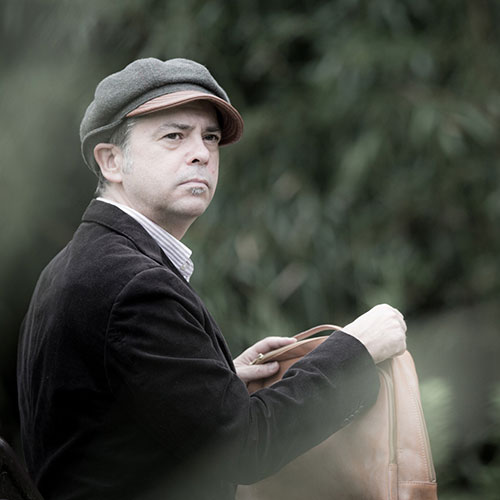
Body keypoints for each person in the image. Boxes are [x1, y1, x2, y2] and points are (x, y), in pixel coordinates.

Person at [17, 58, 407, 500]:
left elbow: (108, 426)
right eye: (174, 136)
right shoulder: (133, 286)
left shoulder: (75, 265)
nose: (201, 153)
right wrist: (355, 349)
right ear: (112, 161)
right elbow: (245, 446)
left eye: (210, 137)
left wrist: (212, 382)